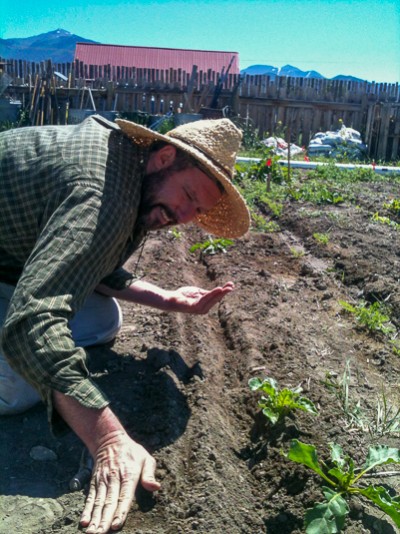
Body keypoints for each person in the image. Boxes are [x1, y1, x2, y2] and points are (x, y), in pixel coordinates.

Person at [0, 114, 250, 533]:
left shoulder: (129, 171)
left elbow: (91, 259)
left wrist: (167, 299)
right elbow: (34, 319)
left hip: (11, 257)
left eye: (199, 209)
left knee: (101, 318)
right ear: (164, 157)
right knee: (19, 385)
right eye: (188, 195)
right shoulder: (101, 196)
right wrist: (108, 440)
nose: (185, 216)